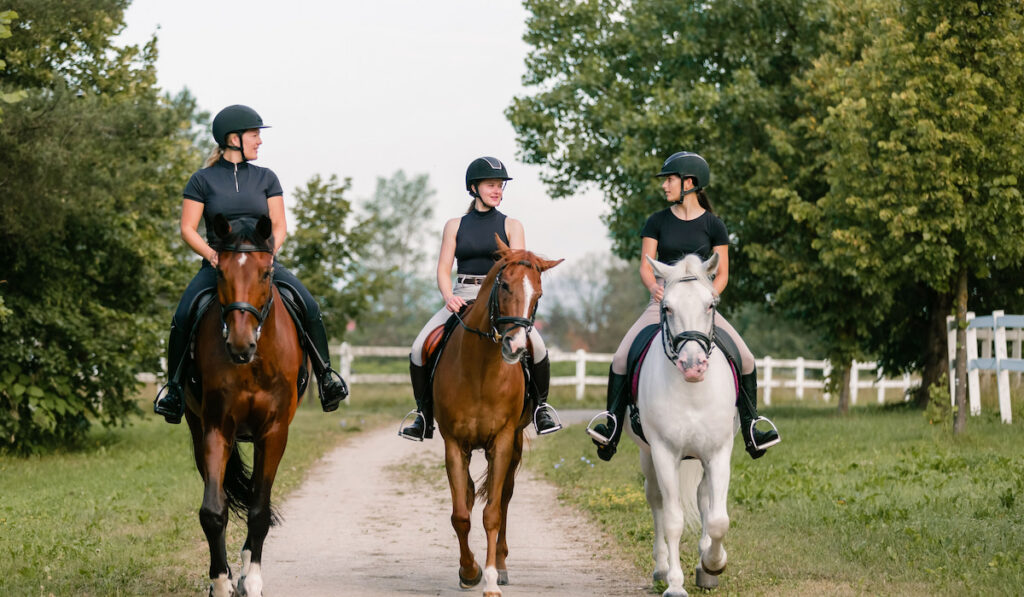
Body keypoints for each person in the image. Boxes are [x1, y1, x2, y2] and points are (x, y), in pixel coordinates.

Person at [153, 104, 348, 424]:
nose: (259, 141)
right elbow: (188, 228)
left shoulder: (267, 178)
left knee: (310, 307)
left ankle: (326, 377)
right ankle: (174, 390)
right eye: (254, 135)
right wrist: (212, 255)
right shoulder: (202, 180)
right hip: (218, 265)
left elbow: (280, 224)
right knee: (183, 315)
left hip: (262, 263)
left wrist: (268, 254)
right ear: (233, 138)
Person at [589, 151, 780, 460]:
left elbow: (723, 273)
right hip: (664, 300)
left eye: (670, 180)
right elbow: (645, 266)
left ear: (689, 183)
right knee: (621, 358)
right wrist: (654, 288)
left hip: (702, 304)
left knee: (746, 358)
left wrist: (709, 298)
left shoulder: (714, 225)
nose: (665, 186)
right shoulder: (657, 221)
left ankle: (751, 426)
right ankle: (610, 426)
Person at [398, 156, 562, 440]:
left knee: (538, 346)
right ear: (474, 188)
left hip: (502, 300)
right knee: (418, 347)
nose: (497, 190)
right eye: (491, 185)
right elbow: (442, 268)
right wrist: (448, 296)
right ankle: (424, 415)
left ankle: (541, 409)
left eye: (500, 186)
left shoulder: (512, 225)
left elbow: (519, 269)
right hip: (462, 295)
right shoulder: (454, 225)